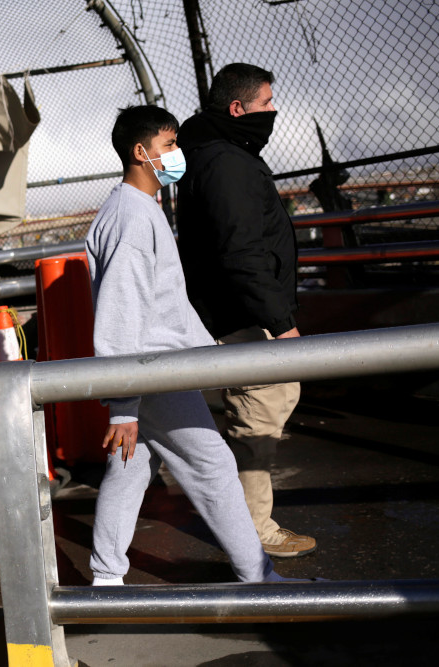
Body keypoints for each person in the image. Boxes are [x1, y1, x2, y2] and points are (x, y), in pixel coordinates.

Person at [86, 105, 288, 585]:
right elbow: (122, 315)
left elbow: (162, 306)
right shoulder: (132, 219)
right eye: (169, 145)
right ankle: (258, 579)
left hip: (157, 369)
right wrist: (124, 406)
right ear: (142, 152)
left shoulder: (135, 211)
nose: (177, 154)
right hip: (154, 372)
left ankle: (106, 580)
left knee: (129, 470)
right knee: (213, 467)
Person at [175, 63, 315, 558]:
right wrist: (282, 323)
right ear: (238, 109)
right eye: (266, 103)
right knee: (257, 417)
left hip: (240, 312)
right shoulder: (226, 162)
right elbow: (241, 252)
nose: (273, 111)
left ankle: (250, 521)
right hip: (244, 317)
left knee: (261, 414)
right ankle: (253, 532)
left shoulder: (213, 154)